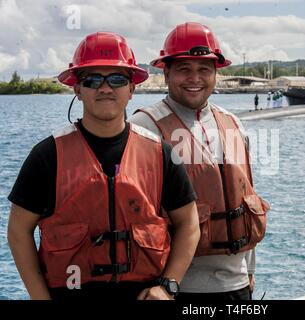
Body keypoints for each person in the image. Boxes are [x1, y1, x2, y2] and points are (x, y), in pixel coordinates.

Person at [7, 32, 200, 300]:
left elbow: (189, 222)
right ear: (77, 89)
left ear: (131, 89)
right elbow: (18, 231)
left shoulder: (160, 153)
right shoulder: (48, 155)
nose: (105, 88)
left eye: (117, 79)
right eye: (93, 79)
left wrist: (168, 285)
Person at [129, 22, 269, 301]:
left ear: (215, 73)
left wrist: (249, 270)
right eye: (184, 69)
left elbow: (246, 196)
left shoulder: (234, 125)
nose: (195, 78)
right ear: (166, 72)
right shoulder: (144, 126)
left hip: (236, 285)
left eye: (204, 69)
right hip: (175, 288)